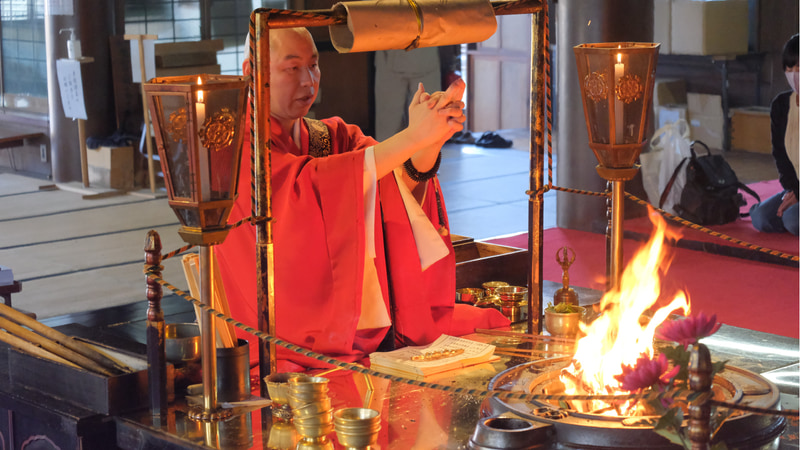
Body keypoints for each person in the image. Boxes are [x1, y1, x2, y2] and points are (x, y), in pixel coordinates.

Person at [215, 28, 509, 372]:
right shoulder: (235, 147)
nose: (309, 81)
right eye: (292, 68)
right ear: (253, 72)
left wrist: (427, 144)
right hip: (276, 325)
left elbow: (389, 184)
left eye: (314, 65)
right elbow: (304, 188)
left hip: (347, 322)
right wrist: (411, 137)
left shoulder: (331, 136)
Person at [750, 34, 799, 236]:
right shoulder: (781, 105)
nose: (795, 74)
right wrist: (793, 190)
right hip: (796, 187)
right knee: (760, 218)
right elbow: (780, 155)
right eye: (790, 69)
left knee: (792, 219)